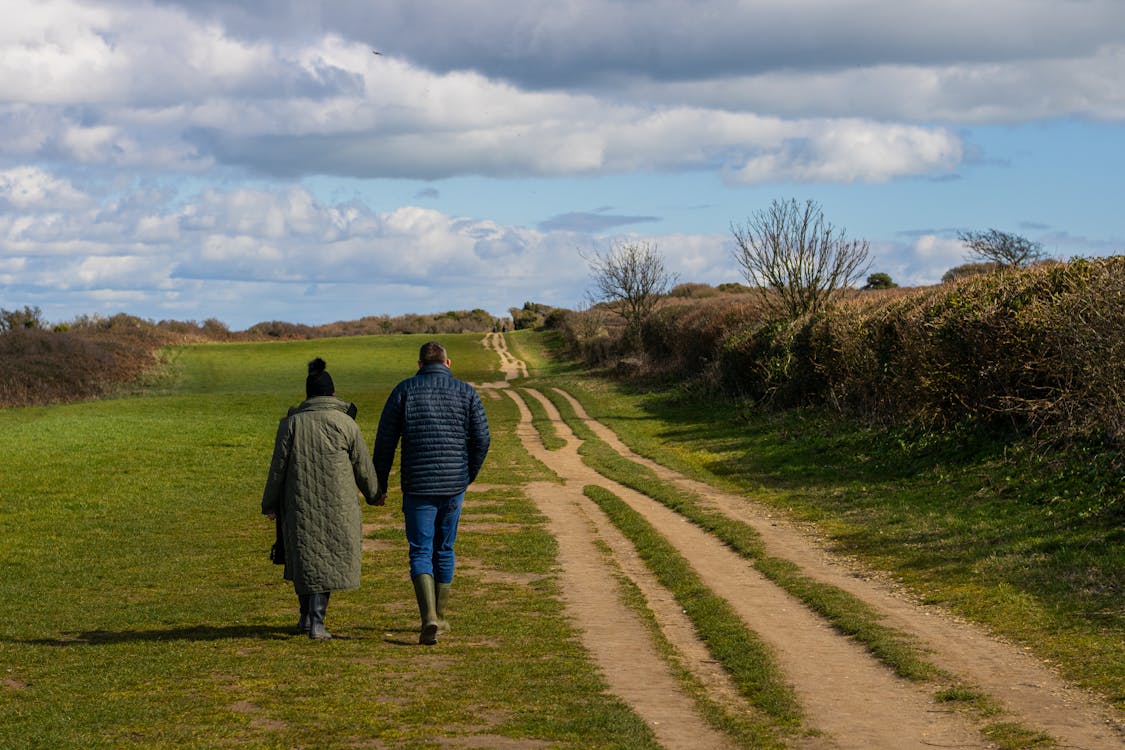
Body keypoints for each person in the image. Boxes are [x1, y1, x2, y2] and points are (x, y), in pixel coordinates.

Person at [373, 341, 490, 645]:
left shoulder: (405, 390)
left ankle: (429, 618)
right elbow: (482, 440)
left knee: (421, 550)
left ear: (420, 364)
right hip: (454, 485)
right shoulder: (467, 392)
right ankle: (440, 614)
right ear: (448, 363)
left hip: (418, 487)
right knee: (445, 548)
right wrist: (467, 475)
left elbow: (385, 442)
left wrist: (379, 484)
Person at [261, 357, 383, 640]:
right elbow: (363, 466)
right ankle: (317, 623)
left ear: (308, 395)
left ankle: (306, 617)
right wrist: (374, 494)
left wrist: (270, 503)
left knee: (304, 556)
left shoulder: (291, 423)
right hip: (338, 505)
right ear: (332, 393)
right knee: (326, 558)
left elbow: (277, 467)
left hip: (298, 503)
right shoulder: (345, 423)